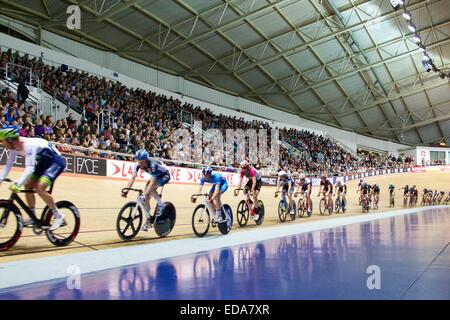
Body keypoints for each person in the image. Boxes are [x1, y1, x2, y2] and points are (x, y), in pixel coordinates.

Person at [0, 125, 66, 230]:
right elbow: (8, 165)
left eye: (4, 141)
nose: (3, 143)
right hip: (43, 163)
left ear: (10, 140)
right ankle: (32, 215)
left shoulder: (28, 145)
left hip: (55, 162)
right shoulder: (14, 148)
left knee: (39, 188)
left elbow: (29, 169)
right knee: (28, 185)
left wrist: (18, 184)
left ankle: (59, 216)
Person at [122, 149, 170, 231]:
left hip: (164, 175)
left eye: (142, 162)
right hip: (154, 176)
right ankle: (148, 219)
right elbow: (133, 177)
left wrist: (143, 195)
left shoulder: (152, 165)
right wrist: (127, 190)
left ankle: (161, 206)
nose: (140, 164)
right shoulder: (137, 164)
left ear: (146, 160)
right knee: (146, 198)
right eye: (138, 161)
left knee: (150, 190)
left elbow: (152, 184)